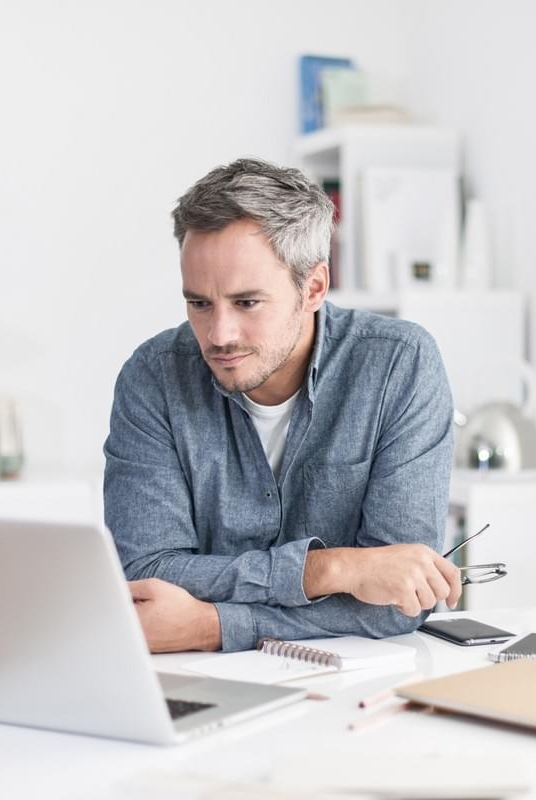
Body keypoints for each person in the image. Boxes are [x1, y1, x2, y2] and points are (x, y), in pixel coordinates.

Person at [104, 158, 461, 653]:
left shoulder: (399, 365)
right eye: (199, 303)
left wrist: (212, 625)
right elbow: (146, 577)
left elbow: (396, 603)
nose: (219, 335)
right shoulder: (152, 378)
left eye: (247, 303)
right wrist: (332, 569)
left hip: (350, 689)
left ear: (313, 287)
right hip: (201, 686)